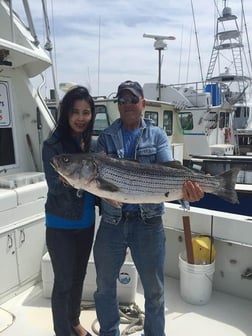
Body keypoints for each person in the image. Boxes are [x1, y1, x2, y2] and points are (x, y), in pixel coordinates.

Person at [93, 80, 204, 336]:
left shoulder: (157, 135)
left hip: (149, 224)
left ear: (143, 103)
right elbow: (99, 183)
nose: (128, 104)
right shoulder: (106, 138)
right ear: (117, 105)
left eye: (133, 99)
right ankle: (109, 332)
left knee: (154, 291)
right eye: (122, 100)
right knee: (103, 286)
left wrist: (187, 190)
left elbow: (168, 169)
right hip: (112, 224)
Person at [42, 86, 96, 336]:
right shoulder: (53, 146)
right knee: (63, 282)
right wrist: (71, 178)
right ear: (66, 113)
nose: (81, 118)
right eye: (75, 112)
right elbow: (53, 186)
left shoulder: (91, 143)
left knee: (78, 278)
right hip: (60, 225)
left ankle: (74, 321)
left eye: (86, 112)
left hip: (85, 223)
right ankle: (61, 332)